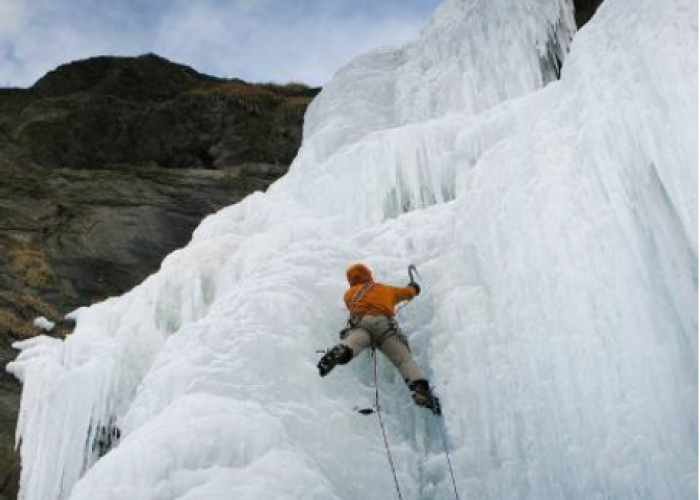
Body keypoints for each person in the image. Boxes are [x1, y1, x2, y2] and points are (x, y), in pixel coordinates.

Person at [317, 263, 440, 414]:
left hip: (362, 324)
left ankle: (342, 350)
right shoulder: (386, 289)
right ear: (368, 275)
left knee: (352, 342)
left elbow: (353, 308)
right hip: (385, 326)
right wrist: (413, 287)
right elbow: (409, 293)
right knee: (403, 360)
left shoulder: (349, 294)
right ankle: (420, 390)